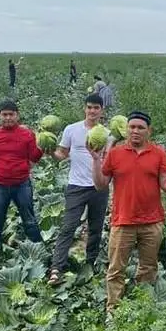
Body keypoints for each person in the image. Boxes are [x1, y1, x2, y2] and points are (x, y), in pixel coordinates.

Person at [89, 111, 166, 315]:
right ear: (126, 129)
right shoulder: (115, 154)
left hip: (152, 221)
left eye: (140, 127)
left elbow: (165, 183)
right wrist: (96, 160)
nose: (135, 131)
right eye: (132, 127)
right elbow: (100, 185)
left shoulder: (158, 153)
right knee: (116, 269)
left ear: (149, 131)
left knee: (148, 267)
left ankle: (143, 306)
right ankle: (113, 310)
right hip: (123, 221)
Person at [47, 94, 111, 285]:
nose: (92, 111)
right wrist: (50, 151)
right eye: (89, 107)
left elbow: (109, 163)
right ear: (85, 108)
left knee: (96, 228)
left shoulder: (107, 135)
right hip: (76, 186)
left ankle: (90, 263)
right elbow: (62, 154)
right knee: (68, 227)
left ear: (102, 111)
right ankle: (56, 267)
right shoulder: (72, 130)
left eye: (96, 108)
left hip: (99, 188)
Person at [0, 98, 45, 252]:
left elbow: (34, 156)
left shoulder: (27, 134)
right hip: (0, 185)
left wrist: (44, 143)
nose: (8, 118)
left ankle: (39, 251)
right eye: (4, 114)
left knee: (29, 220)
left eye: (11, 114)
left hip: (22, 184)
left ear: (17, 115)